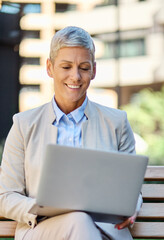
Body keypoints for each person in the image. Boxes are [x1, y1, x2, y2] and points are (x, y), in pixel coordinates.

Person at [0, 26, 142, 240]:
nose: (75, 76)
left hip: (103, 231)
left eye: (84, 68)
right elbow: (6, 196)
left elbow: (130, 190)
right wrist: (40, 209)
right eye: (66, 66)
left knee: (80, 220)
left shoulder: (117, 123)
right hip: (42, 230)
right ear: (50, 67)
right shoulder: (23, 124)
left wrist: (132, 206)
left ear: (93, 70)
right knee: (77, 219)